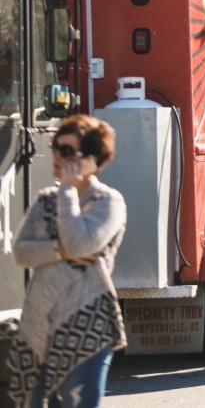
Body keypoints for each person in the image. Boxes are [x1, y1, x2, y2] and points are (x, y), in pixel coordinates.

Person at [9, 115, 127, 406]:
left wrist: (67, 191)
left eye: (67, 150)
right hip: (38, 326)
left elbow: (79, 241)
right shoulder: (45, 200)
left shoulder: (107, 202)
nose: (57, 155)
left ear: (92, 159)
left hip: (85, 328)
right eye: (55, 147)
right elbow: (22, 252)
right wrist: (61, 251)